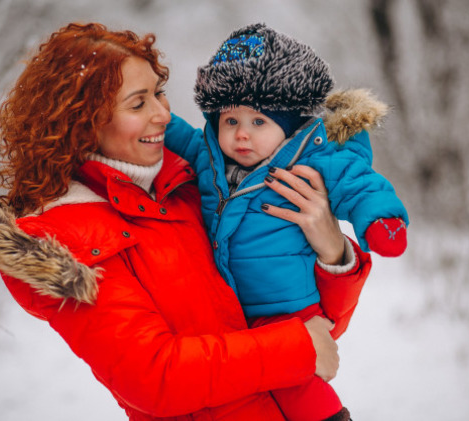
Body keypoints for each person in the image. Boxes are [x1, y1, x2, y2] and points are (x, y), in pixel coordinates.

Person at [0, 22, 372, 421]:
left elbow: (312, 326)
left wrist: (333, 252)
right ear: (83, 122)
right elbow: (153, 376)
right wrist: (298, 350)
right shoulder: (62, 236)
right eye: (138, 104)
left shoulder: (192, 188)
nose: (163, 115)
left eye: (159, 93)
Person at [164, 23, 409, 421]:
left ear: (289, 125)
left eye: (259, 122)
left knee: (297, 384)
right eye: (231, 121)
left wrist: (381, 221)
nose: (242, 134)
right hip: (232, 314)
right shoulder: (208, 157)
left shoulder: (311, 160)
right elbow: (171, 131)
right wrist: (149, 109)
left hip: (289, 310)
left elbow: (359, 183)